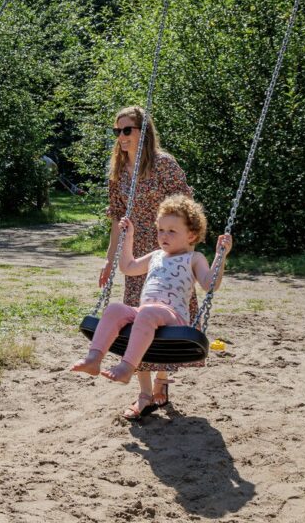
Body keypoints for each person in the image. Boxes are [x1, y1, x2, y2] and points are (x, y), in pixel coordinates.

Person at [72, 195, 232, 387]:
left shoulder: (194, 258)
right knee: (114, 309)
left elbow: (209, 284)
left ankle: (127, 367)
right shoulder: (156, 255)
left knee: (147, 312)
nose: (164, 235)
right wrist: (128, 237)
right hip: (145, 312)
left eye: (171, 231)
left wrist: (220, 256)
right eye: (161, 230)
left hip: (174, 317)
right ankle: (94, 359)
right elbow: (128, 267)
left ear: (191, 235)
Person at [101, 105, 194, 418]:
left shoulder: (164, 164)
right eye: (117, 131)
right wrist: (110, 260)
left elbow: (186, 209)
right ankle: (143, 394)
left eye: (127, 130)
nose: (122, 137)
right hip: (134, 252)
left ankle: (161, 383)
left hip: (166, 250)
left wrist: (182, 248)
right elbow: (117, 220)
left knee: (163, 315)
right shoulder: (118, 171)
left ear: (144, 132)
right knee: (135, 319)